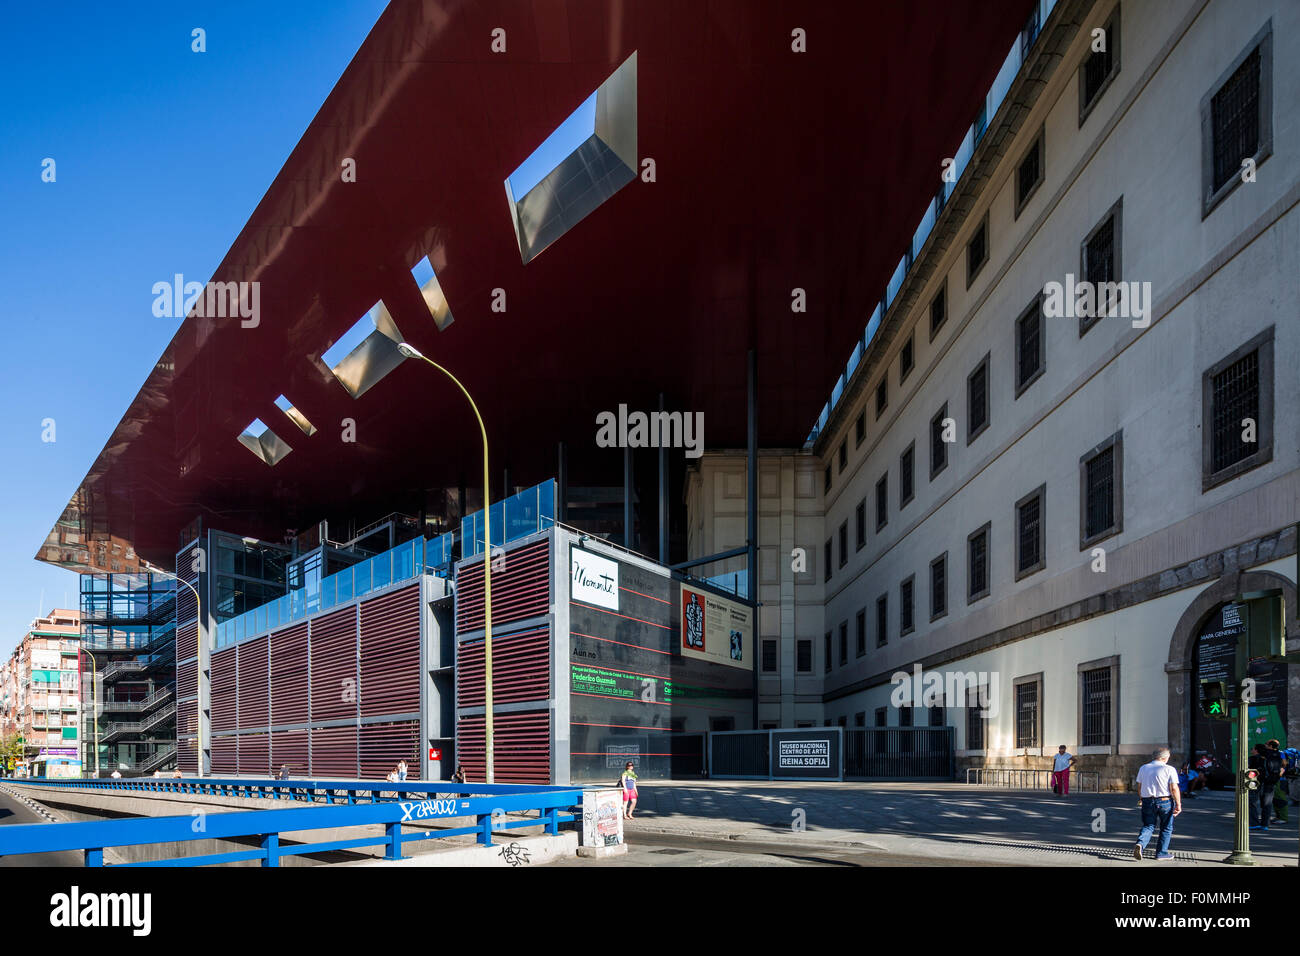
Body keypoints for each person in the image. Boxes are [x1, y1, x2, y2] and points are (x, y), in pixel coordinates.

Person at [1133, 747, 1181, 861]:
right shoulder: (1170, 769)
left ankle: (1140, 843)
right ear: (1164, 757)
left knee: (1148, 825)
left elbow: (1139, 786)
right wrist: (1178, 804)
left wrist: (1142, 798)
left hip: (1147, 800)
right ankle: (1161, 853)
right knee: (1166, 827)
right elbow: (1174, 788)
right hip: (1165, 801)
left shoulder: (1143, 768)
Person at [1249, 743, 1282, 830]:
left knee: (1252, 802)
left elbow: (1250, 772)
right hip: (1271, 782)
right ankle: (1265, 824)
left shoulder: (1254, 759)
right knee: (1267, 804)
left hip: (1256, 782)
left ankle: (1254, 823)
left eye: (1252, 748)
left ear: (1256, 750)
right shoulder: (1273, 756)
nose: (1251, 750)